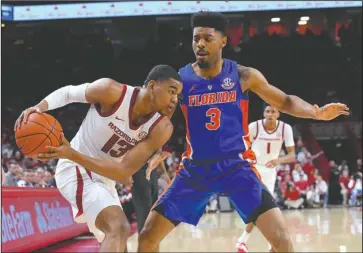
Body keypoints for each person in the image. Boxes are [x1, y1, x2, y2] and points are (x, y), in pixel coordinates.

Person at [137, 11, 349, 253]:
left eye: (207, 38)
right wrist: (155, 148)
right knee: (147, 237)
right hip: (195, 170)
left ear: (223, 41)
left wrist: (316, 112)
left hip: (236, 167)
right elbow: (158, 115)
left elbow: (285, 101)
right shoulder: (181, 80)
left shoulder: (243, 75)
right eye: (196, 39)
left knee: (281, 240)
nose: (200, 44)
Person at [14, 64, 183, 252]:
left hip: (104, 179)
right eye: (172, 91)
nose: (175, 100)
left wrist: (72, 153)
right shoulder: (112, 91)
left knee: (118, 240)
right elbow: (69, 93)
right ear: (152, 86)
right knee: (118, 228)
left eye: (177, 95)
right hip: (76, 169)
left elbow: (122, 172)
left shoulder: (162, 128)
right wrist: (39, 108)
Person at [237, 105, 296, 252]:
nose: (270, 114)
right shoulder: (255, 126)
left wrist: (278, 161)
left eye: (273, 111)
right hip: (254, 169)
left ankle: (244, 242)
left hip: (270, 172)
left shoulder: (285, 128)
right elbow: (242, 147)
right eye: (267, 111)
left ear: (278, 114)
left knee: (265, 208)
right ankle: (245, 241)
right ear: (263, 113)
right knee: (259, 206)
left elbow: (292, 155)